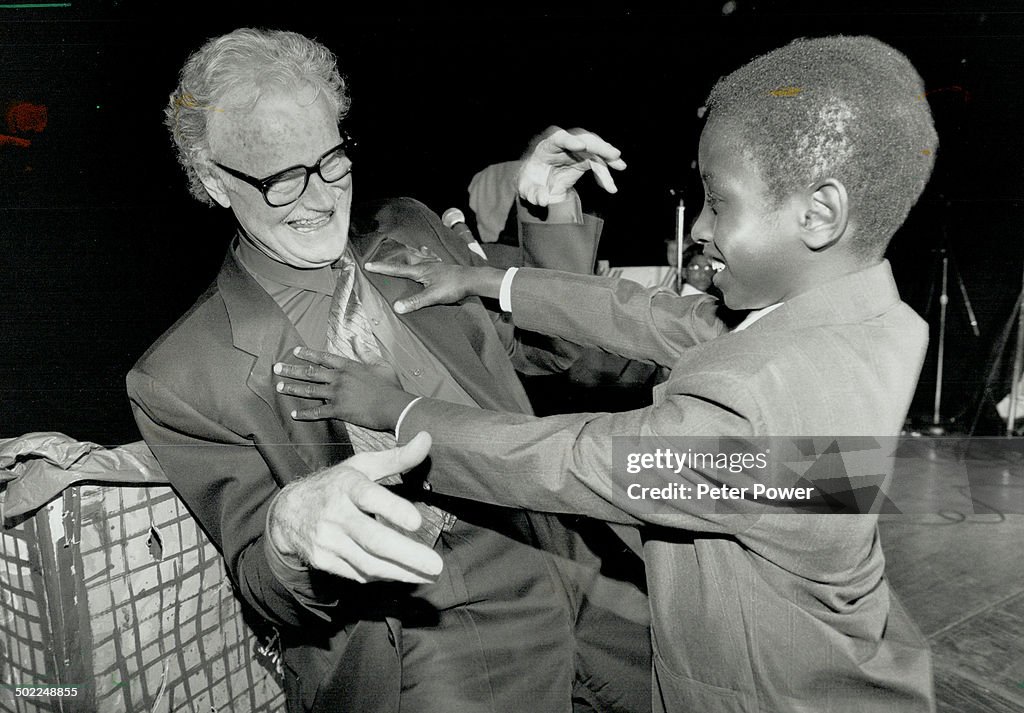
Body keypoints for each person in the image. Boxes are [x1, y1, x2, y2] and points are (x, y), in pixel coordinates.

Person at [278, 35, 938, 712]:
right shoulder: (870, 319)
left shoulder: (756, 414)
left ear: (819, 213)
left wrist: (397, 411)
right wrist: (482, 277)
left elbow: (569, 460)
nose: (702, 230)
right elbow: (651, 315)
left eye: (720, 203)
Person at [126, 28, 651, 713]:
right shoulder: (183, 374)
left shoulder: (407, 230)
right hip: (437, 644)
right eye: (281, 179)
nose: (318, 199)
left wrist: (546, 212)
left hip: (587, 571)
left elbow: (555, 355)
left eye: (330, 162)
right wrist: (288, 530)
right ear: (214, 183)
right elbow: (264, 580)